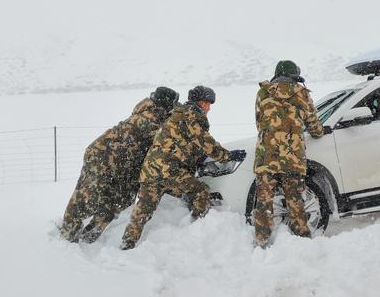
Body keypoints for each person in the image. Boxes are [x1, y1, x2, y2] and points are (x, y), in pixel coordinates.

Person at [120, 85, 246, 250]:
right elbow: (206, 143)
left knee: (143, 210)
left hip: (150, 170)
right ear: (200, 103)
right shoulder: (192, 116)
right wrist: (229, 156)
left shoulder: (177, 115)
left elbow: (183, 144)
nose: (209, 108)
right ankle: (195, 232)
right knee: (201, 191)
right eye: (208, 104)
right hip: (169, 171)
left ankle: (127, 243)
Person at [60, 86, 178, 243]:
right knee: (85, 200)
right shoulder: (149, 119)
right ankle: (67, 237)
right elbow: (164, 142)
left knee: (116, 203)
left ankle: (89, 238)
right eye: (173, 105)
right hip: (101, 160)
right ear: (166, 105)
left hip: (122, 167)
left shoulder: (154, 116)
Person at [253, 60, 324, 248]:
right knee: (295, 200)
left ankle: (261, 241)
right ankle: (302, 239)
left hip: (267, 156)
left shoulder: (263, 93)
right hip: (292, 158)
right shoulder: (302, 94)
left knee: (264, 201)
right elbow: (314, 127)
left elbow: (259, 123)